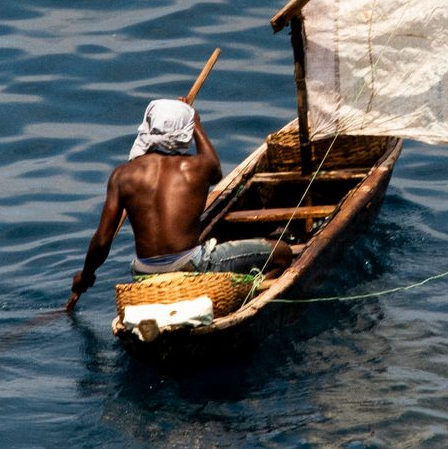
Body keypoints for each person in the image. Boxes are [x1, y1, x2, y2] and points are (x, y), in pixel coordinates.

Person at [64, 99, 292, 313]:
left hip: (144, 271)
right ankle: (243, 297)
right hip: (192, 264)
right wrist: (197, 123)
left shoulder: (122, 175)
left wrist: (85, 276)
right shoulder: (198, 167)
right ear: (186, 130)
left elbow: (102, 240)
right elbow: (216, 170)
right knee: (283, 252)